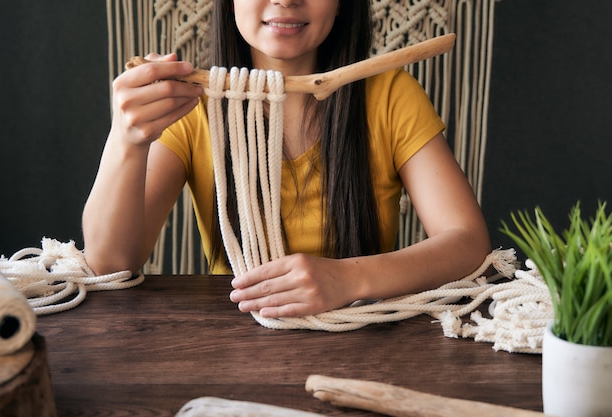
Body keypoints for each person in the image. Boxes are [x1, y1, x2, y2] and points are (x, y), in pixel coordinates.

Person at [82, 0, 491, 319]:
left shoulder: (389, 96)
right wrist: (126, 140)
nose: (286, 1)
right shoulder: (194, 107)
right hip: (235, 336)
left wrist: (349, 278)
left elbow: (468, 243)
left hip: (368, 331)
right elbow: (110, 263)